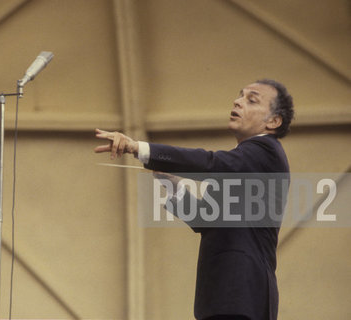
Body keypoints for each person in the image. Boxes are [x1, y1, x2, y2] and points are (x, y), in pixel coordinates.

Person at [94, 79, 294, 320]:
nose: (238, 101)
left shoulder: (264, 150)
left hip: (239, 293)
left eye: (251, 99)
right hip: (228, 296)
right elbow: (205, 220)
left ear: (273, 121)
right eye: (239, 96)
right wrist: (172, 184)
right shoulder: (244, 164)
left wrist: (138, 148)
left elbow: (210, 163)